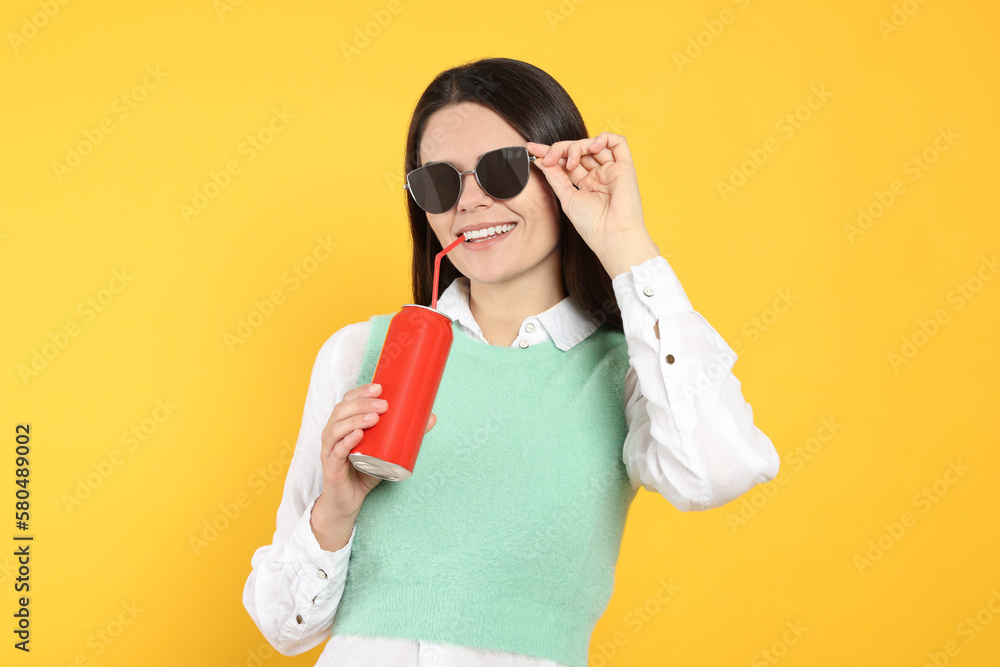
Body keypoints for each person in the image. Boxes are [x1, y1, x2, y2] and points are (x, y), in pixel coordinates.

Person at [243, 57, 780, 667]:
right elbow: (281, 626)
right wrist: (334, 511)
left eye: (502, 170)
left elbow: (721, 471)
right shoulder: (359, 354)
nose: (468, 202)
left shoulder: (627, 370)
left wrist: (626, 244)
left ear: (562, 173)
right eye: (441, 183)